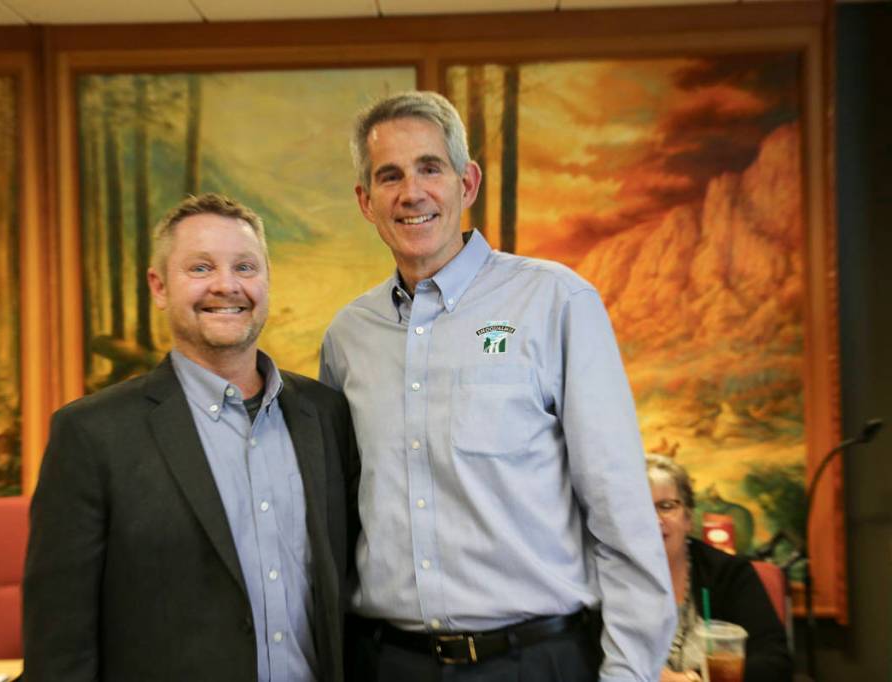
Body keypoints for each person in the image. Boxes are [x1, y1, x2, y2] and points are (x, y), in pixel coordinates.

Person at [319, 90, 674, 681]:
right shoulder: (347, 337)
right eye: (390, 176)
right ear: (365, 201)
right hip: (387, 664)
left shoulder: (556, 302)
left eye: (430, 168)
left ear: (468, 182)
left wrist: (630, 672)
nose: (412, 192)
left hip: (533, 661)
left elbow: (620, 512)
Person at [24, 193, 357, 682]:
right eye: (200, 268)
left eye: (245, 267)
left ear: (266, 281)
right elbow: (60, 647)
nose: (227, 285)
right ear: (159, 287)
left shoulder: (324, 415)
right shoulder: (91, 436)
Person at [645, 455, 792, 682]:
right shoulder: (609, 577)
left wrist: (696, 679)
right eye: (641, 508)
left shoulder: (729, 573)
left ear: (688, 518)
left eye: (666, 507)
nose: (655, 521)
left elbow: (775, 661)